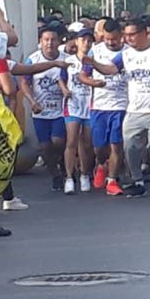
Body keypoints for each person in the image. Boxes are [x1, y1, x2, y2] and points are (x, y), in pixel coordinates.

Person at [86, 19, 150, 197]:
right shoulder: (126, 54)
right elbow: (111, 69)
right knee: (129, 147)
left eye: (132, 35)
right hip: (133, 109)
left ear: (144, 33)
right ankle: (138, 181)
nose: (128, 39)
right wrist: (94, 64)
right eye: (126, 35)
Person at [79, 19, 128, 196]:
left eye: (113, 39)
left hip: (122, 104)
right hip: (99, 106)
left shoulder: (129, 53)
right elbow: (82, 76)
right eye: (106, 38)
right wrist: (93, 82)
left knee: (116, 144)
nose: (110, 42)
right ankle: (101, 165)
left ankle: (112, 180)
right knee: (99, 147)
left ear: (121, 36)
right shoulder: (95, 51)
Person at [19, 26, 69, 192]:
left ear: (59, 41)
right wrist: (32, 101)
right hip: (40, 111)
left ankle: (63, 162)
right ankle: (55, 174)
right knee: (45, 145)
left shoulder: (67, 60)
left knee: (58, 141)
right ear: (40, 42)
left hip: (62, 110)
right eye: (46, 40)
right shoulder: (32, 60)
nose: (50, 43)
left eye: (53, 40)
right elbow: (24, 82)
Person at [58, 29, 96, 194]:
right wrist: (65, 89)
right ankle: (68, 177)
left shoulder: (95, 61)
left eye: (89, 40)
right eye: (83, 40)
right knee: (71, 140)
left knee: (86, 142)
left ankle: (84, 173)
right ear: (76, 42)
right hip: (73, 104)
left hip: (90, 103)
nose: (86, 43)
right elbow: (60, 78)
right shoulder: (69, 61)